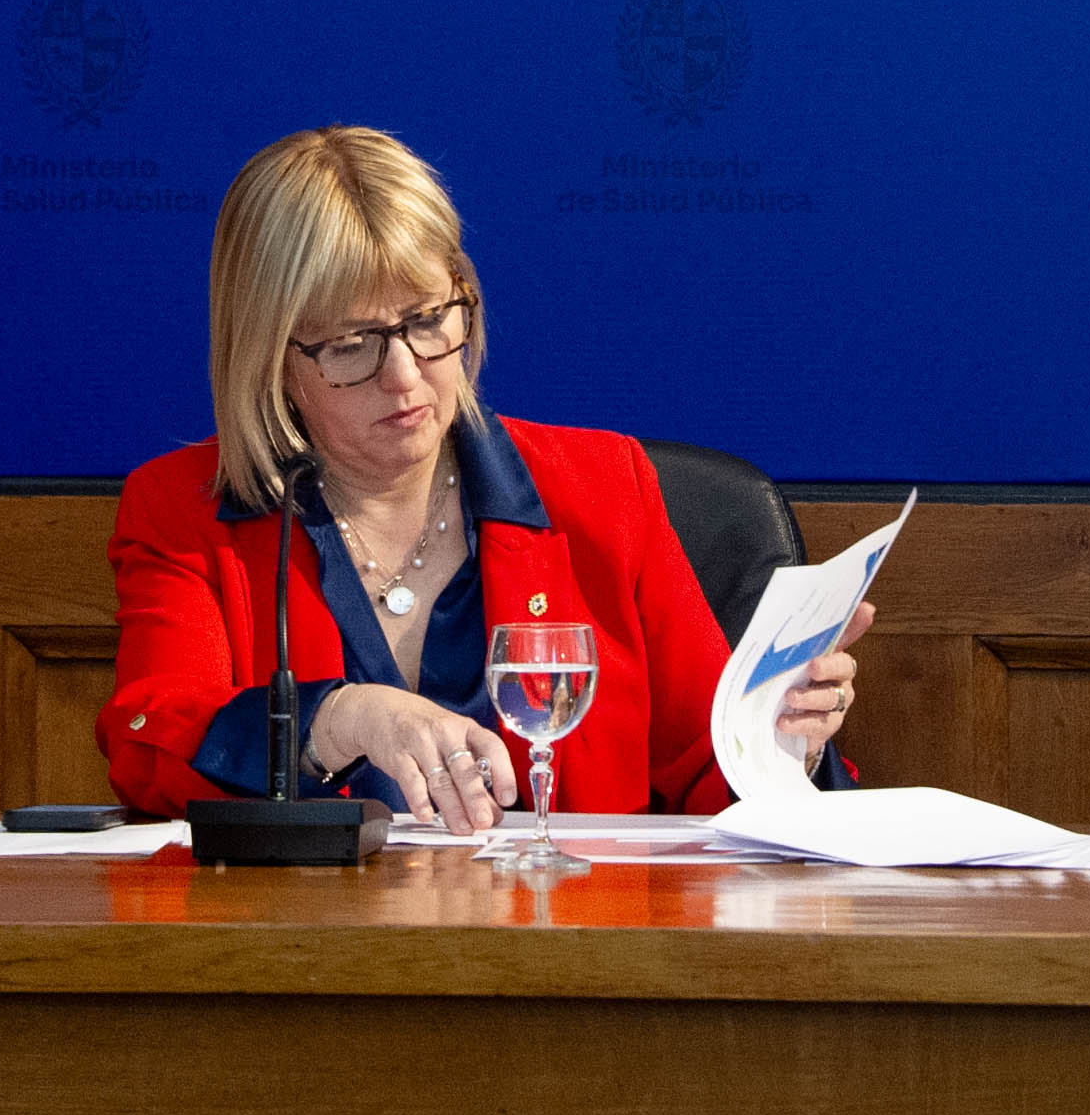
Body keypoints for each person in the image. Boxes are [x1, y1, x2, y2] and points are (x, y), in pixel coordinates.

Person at [102, 125, 867, 826]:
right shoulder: (184, 510)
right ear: (268, 356)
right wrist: (338, 717)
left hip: (575, 948)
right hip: (306, 956)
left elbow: (711, 774)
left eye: (428, 319)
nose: (404, 376)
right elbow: (148, 746)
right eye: (350, 343)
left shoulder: (604, 487)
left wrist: (780, 741)